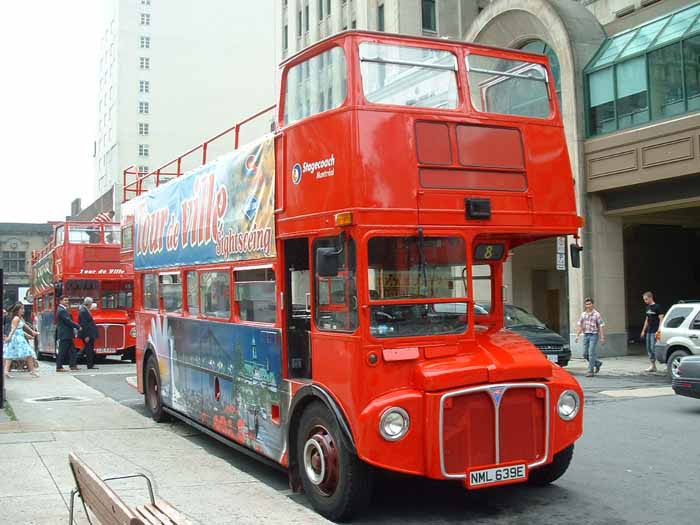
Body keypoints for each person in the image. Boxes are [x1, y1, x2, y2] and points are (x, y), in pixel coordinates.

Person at [3, 303, 39, 378]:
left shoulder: (20, 318)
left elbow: (21, 328)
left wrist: (30, 333)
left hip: (19, 337)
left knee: (11, 354)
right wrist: (9, 337)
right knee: (27, 353)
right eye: (21, 309)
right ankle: (32, 370)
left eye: (23, 309)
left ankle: (6, 371)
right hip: (17, 339)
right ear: (17, 310)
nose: (23, 310)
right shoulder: (16, 318)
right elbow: (14, 329)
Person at [575, 297, 606, 377]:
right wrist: (577, 335)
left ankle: (590, 371)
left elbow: (601, 325)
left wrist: (602, 337)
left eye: (590, 304)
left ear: (592, 304)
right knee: (585, 354)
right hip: (586, 335)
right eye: (587, 304)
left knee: (591, 353)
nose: (588, 306)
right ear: (585, 305)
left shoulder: (596, 314)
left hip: (594, 335)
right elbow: (580, 325)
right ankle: (597, 363)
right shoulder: (583, 314)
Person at [641, 291, 664, 373]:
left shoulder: (658, 307)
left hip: (655, 331)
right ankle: (653, 366)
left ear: (651, 297)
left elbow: (661, 318)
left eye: (646, 299)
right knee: (649, 348)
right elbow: (646, 320)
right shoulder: (647, 308)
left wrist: (659, 329)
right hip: (649, 331)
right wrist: (643, 330)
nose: (645, 301)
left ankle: (665, 363)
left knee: (654, 348)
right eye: (644, 299)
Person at [56, 296, 81, 372]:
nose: (67, 301)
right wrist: (77, 326)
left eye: (67, 300)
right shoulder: (61, 310)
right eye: (65, 300)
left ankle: (72, 365)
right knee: (62, 351)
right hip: (65, 334)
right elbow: (68, 321)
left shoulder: (64, 309)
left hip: (68, 334)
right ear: (60, 301)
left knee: (72, 351)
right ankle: (59, 367)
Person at [78, 297, 99, 370]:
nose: (92, 305)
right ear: (89, 303)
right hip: (87, 334)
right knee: (89, 350)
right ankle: (89, 365)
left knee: (87, 349)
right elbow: (84, 324)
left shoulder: (85, 310)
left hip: (90, 333)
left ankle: (89, 364)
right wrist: (86, 335)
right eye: (91, 303)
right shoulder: (83, 311)